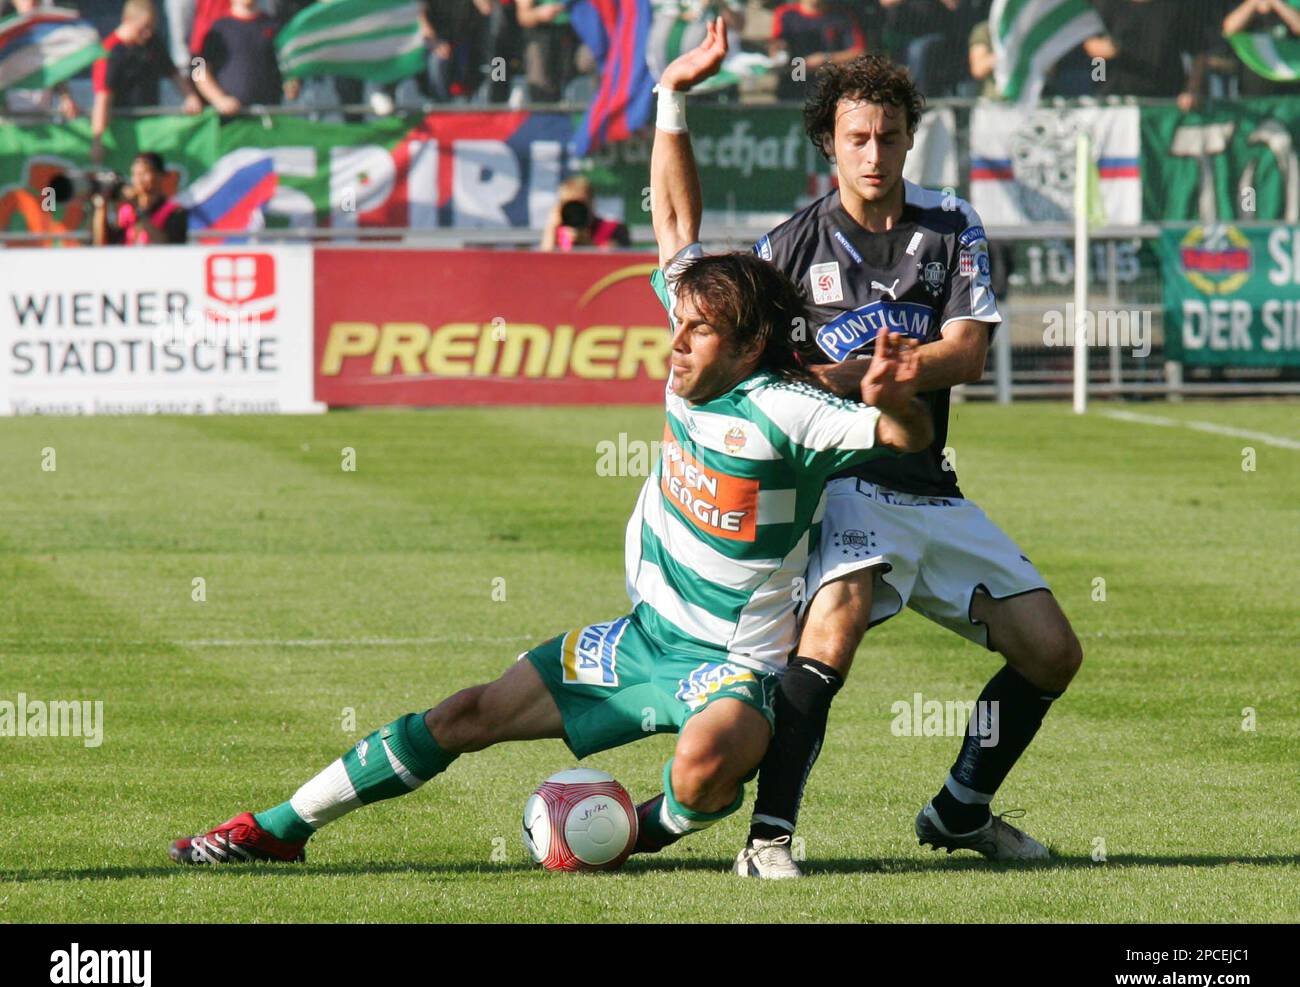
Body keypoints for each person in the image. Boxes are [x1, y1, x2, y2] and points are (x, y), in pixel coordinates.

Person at [167, 67, 934, 867]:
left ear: (746, 349)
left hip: (731, 666)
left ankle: (629, 831)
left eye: (699, 333)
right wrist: (671, 98)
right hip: (644, 638)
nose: (676, 343)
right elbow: (674, 221)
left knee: (708, 764)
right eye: (682, 323)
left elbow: (904, 437)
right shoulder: (696, 342)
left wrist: (901, 396)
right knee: (466, 713)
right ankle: (278, 827)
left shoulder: (788, 410)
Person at [655, 21, 1083, 879]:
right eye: (856, 138)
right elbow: (682, 249)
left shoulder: (950, 222)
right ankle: (769, 839)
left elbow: (967, 351)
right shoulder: (787, 249)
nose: (874, 153)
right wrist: (673, 103)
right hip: (845, 485)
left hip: (929, 483)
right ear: (829, 145)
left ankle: (960, 810)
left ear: (909, 137)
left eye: (888, 136)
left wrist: (898, 368)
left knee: (1051, 652)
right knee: (835, 628)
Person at [90, 0, 203, 164]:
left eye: (151, 27)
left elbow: (173, 73)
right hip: (122, 128)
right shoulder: (109, 52)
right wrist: (97, 140)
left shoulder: (153, 43)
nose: (148, 33)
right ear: (127, 20)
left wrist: (190, 96)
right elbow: (102, 99)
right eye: (143, 28)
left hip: (150, 128)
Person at [194, 0, 298, 114]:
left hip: (269, 117)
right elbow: (198, 69)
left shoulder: (274, 26)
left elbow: (291, 65)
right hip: (230, 121)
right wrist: (218, 99)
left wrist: (292, 82)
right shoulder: (217, 29)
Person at [769, 0, 865, 102]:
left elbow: (858, 52)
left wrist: (825, 59)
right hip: (794, 85)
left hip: (831, 88)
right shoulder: (786, 14)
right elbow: (776, 46)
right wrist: (779, 49)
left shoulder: (842, 16)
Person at [90, 150, 188, 245]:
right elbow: (102, 244)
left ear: (160, 175)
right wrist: (101, 208)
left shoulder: (174, 212)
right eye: (135, 174)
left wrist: (138, 212)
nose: (139, 179)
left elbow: (168, 246)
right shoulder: (127, 211)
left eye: (144, 173)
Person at [2, 0, 80, 118]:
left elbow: (54, 66)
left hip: (40, 115)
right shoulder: (5, 27)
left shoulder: (43, 29)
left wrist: (65, 97)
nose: (34, 4)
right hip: (8, 121)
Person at [540, 175, 630, 251]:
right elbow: (544, 264)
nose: (575, 212)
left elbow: (614, 262)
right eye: (569, 205)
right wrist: (551, 230)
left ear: (592, 203)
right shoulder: (557, 232)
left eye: (579, 206)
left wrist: (586, 243)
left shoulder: (614, 230)